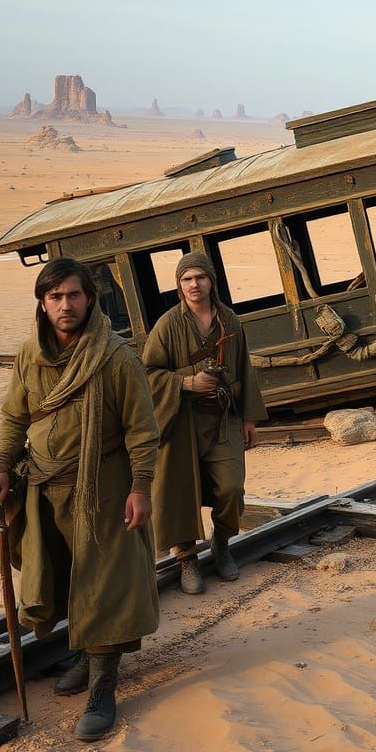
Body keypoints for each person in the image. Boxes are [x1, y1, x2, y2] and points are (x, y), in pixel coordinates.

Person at [0, 257, 160, 742]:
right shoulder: (28, 355)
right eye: (55, 296)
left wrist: (141, 488)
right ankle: (84, 654)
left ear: (88, 299)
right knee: (61, 580)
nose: (65, 305)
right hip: (43, 489)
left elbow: (143, 431)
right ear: (42, 303)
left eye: (73, 295)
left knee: (104, 586)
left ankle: (103, 688)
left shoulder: (115, 357)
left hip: (104, 490)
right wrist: (1, 469)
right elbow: (15, 419)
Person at [142, 252, 267, 596]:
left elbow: (244, 370)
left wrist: (249, 418)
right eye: (186, 279)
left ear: (211, 280)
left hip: (224, 417)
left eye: (199, 277)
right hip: (180, 420)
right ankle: (186, 559)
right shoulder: (168, 325)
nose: (193, 285)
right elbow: (148, 373)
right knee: (180, 490)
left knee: (231, 488)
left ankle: (222, 544)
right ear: (179, 285)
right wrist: (187, 382)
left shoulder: (229, 321)